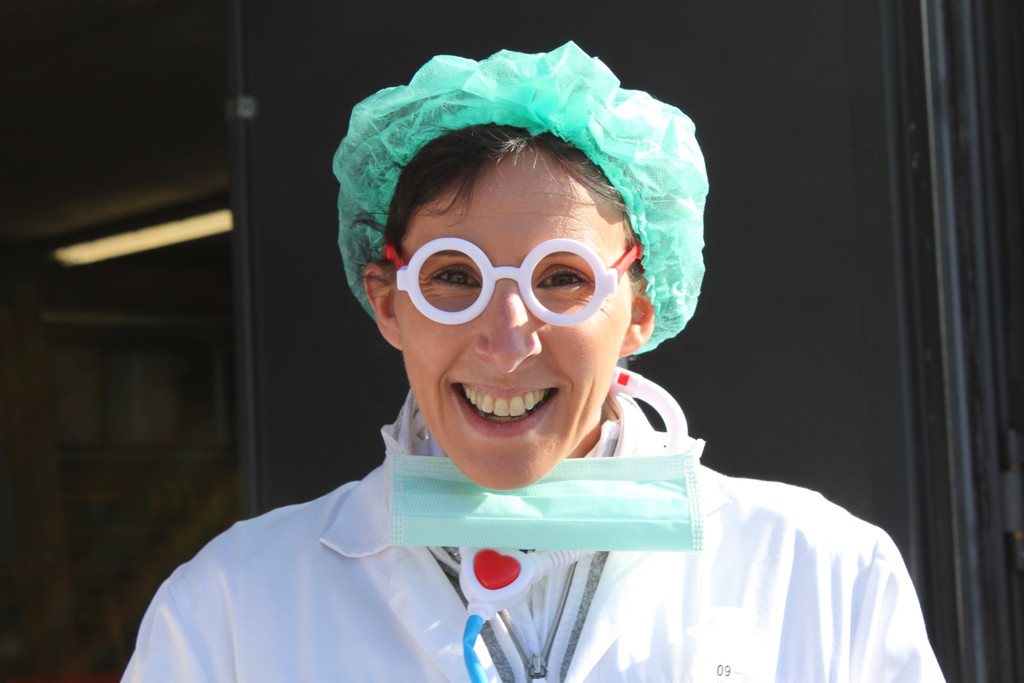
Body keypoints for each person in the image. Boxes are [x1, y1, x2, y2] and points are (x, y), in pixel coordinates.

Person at [123, 42, 945, 682]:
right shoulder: (235, 605)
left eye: (562, 279)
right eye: (454, 277)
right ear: (388, 303)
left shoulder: (818, 573)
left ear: (641, 308)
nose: (507, 337)